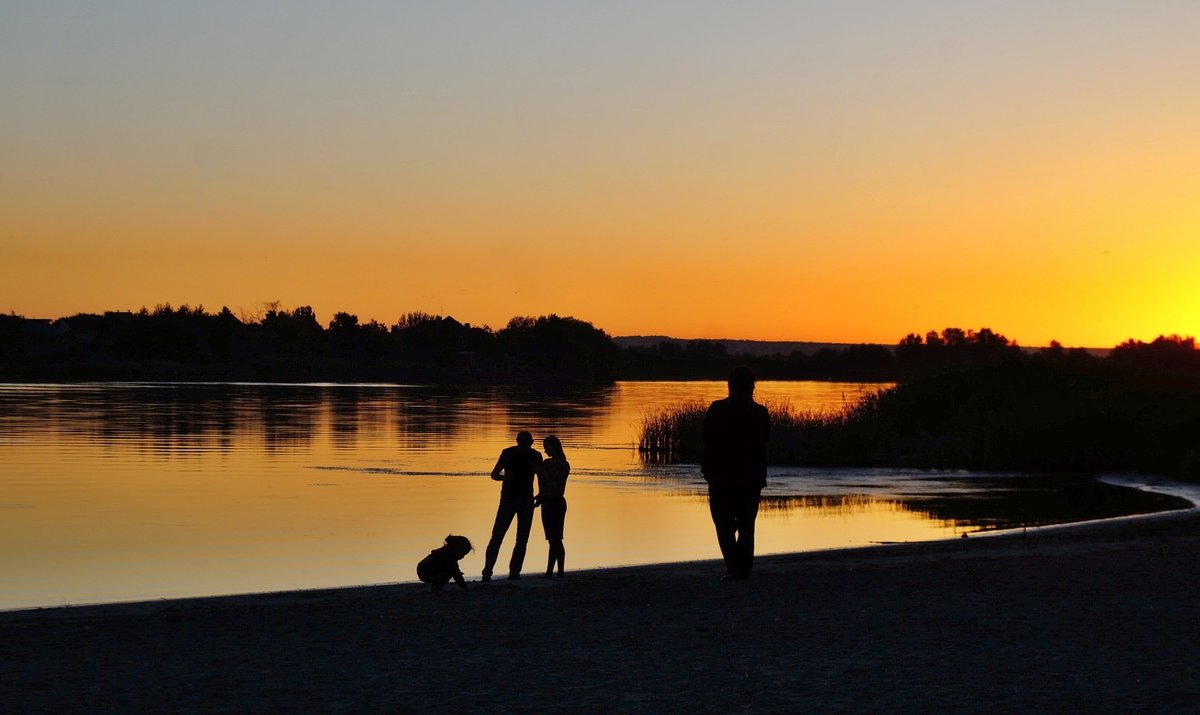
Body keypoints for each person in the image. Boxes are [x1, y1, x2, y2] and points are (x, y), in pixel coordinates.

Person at [702, 366, 771, 581]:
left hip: (721, 476)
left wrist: (708, 470)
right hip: (751, 477)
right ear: (752, 387)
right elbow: (764, 441)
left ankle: (733, 568)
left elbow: (707, 441)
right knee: (746, 525)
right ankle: (742, 570)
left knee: (724, 525)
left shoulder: (717, 409)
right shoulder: (760, 412)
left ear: (730, 386)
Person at [482, 431, 543, 581]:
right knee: (497, 536)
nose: (523, 444)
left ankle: (514, 573)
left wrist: (541, 494)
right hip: (508, 499)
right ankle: (487, 572)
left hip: (526, 499)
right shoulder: (507, 453)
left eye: (526, 441)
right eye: (521, 441)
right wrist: (506, 477)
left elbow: (540, 476)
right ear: (517, 441)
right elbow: (494, 475)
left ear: (531, 442)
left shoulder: (536, 456)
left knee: (521, 539)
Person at [534, 435, 570, 579]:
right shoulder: (546, 463)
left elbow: (556, 484)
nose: (545, 450)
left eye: (547, 446)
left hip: (557, 503)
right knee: (551, 539)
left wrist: (540, 470)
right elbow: (543, 483)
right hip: (547, 503)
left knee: (556, 539)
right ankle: (550, 571)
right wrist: (539, 497)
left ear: (554, 447)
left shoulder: (563, 464)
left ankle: (558, 571)